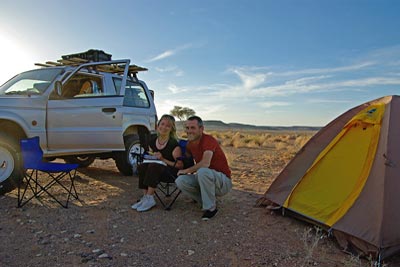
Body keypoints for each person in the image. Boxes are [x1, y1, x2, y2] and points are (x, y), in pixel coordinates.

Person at [175, 116, 232, 220]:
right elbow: (185, 158)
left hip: (223, 182)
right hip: (205, 178)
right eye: (187, 128)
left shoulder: (208, 140)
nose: (189, 131)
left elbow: (205, 163)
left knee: (202, 171)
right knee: (180, 181)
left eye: (193, 128)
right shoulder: (190, 144)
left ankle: (211, 208)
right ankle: (205, 200)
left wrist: (186, 171)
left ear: (201, 129)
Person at [131, 114, 183, 212]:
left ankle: (150, 198)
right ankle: (146, 197)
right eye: (162, 124)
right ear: (158, 125)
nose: (164, 127)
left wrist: (163, 159)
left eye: (168, 126)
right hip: (154, 171)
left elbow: (180, 165)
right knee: (143, 166)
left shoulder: (173, 144)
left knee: (154, 166)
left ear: (172, 129)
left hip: (170, 173)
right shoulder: (153, 140)